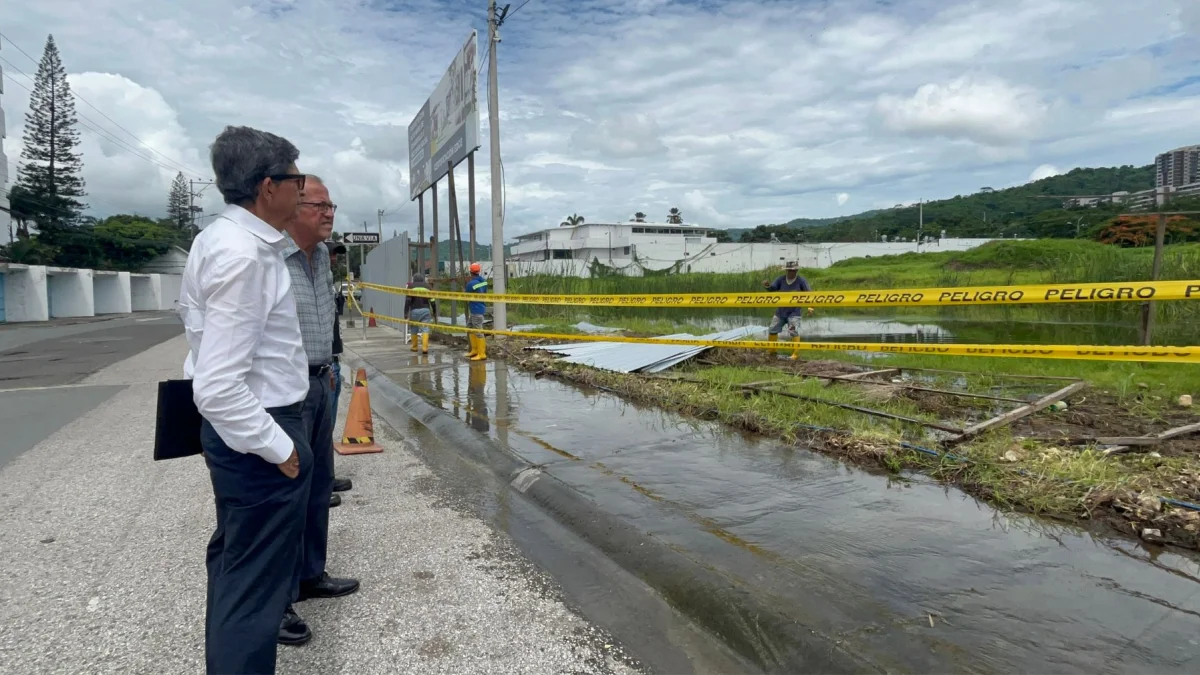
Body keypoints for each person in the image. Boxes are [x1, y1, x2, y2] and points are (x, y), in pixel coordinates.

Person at [178, 125, 310, 675]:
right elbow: (217, 383)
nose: (301, 189)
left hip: (247, 431)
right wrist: (277, 447)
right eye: (295, 179)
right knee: (255, 584)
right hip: (258, 432)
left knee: (237, 561)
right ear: (266, 186)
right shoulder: (244, 256)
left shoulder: (221, 241)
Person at [280, 176, 360, 647]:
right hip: (284, 391)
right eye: (320, 205)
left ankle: (310, 575)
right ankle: (277, 600)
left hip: (321, 380)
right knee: (282, 496)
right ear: (292, 205)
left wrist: (332, 368)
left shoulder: (322, 260)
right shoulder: (269, 258)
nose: (330, 212)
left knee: (315, 489)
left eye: (333, 205)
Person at [761, 260, 815, 361]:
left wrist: (810, 307)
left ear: (796, 271)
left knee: (793, 331)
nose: (791, 272)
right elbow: (773, 288)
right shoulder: (781, 279)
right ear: (786, 271)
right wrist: (767, 285)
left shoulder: (801, 281)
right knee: (772, 330)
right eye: (789, 270)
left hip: (794, 312)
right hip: (780, 311)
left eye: (793, 270)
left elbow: (809, 294)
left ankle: (795, 353)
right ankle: (771, 351)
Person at [402, 273, 435, 354]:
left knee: (414, 328)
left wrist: (405, 313)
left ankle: (414, 347)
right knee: (425, 328)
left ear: (414, 279)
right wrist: (434, 311)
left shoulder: (411, 286)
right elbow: (432, 301)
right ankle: (424, 348)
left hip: (414, 311)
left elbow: (408, 301)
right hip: (425, 310)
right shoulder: (428, 287)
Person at [465, 262, 488, 361]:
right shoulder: (483, 281)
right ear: (478, 271)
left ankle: (481, 353)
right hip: (480, 307)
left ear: (470, 272)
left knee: (478, 330)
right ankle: (474, 350)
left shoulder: (471, 284)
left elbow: (466, 295)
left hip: (476, 309)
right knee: (470, 327)